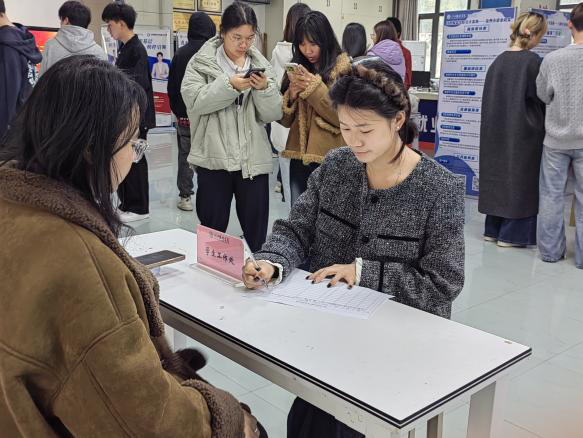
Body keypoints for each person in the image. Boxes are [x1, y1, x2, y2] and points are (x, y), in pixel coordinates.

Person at [0, 55, 262, 438]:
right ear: (92, 148)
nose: (135, 157)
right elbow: (147, 419)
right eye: (133, 144)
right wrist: (232, 419)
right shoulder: (80, 266)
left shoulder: (14, 207)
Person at [243, 59, 465, 437]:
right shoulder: (337, 166)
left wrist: (363, 272)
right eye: (345, 127)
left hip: (396, 347)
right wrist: (271, 262)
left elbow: (443, 283)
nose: (354, 140)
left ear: (398, 120)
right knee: (306, 424)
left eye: (365, 129)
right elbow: (296, 230)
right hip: (327, 336)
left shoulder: (438, 189)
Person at [181, 1, 282, 252]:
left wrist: (264, 89)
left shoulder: (261, 65)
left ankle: (257, 270)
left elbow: (273, 113)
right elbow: (195, 102)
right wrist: (230, 86)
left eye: (249, 38)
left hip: (253, 162)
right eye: (237, 37)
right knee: (212, 234)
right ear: (223, 32)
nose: (243, 44)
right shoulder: (201, 63)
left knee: (257, 235)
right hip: (214, 160)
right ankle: (211, 275)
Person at [479, 12, 547, 248]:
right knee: (520, 179)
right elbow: (541, 98)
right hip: (522, 132)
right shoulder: (533, 62)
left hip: (494, 130)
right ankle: (511, 235)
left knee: (497, 176)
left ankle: (492, 229)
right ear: (533, 34)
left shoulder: (498, 61)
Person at [279, 11, 351, 206]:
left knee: (329, 217)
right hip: (299, 158)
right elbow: (284, 120)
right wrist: (291, 95)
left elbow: (342, 117)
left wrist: (314, 89)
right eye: (302, 44)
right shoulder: (298, 68)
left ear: (325, 40)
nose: (307, 50)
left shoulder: (342, 69)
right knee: (299, 214)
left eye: (313, 44)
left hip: (330, 159)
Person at [537, 2, 583, 269]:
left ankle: (550, 253)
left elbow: (543, 94)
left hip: (555, 139)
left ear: (569, 24)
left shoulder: (552, 59)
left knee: (551, 196)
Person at [102, 2, 156, 223]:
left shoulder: (137, 50)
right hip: (125, 116)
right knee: (123, 158)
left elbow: (137, 87)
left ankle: (139, 207)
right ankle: (126, 203)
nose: (108, 29)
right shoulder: (126, 48)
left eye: (110, 24)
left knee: (135, 161)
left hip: (136, 117)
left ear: (121, 23)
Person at [168, 12, 216, 212]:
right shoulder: (213, 53)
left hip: (185, 118)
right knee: (209, 157)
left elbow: (172, 88)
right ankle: (209, 195)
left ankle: (185, 196)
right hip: (209, 116)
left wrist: (179, 112)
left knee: (185, 156)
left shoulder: (180, 54)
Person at [270, 2, 311, 213]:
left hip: (282, 128)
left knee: (290, 190)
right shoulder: (308, 55)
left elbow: (274, 88)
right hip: (303, 131)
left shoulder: (277, 51)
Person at [0, 0, 42, 140]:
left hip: (8, 135)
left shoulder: (6, 46)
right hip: (24, 124)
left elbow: (7, 98)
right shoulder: (21, 36)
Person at [40, 0, 108, 75]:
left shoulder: (50, 46)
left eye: (61, 20)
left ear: (66, 20)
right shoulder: (99, 52)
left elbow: (42, 79)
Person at [386, 17, 412, 90]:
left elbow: (407, 81)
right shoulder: (376, 51)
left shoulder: (405, 53)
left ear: (398, 34)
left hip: (396, 93)